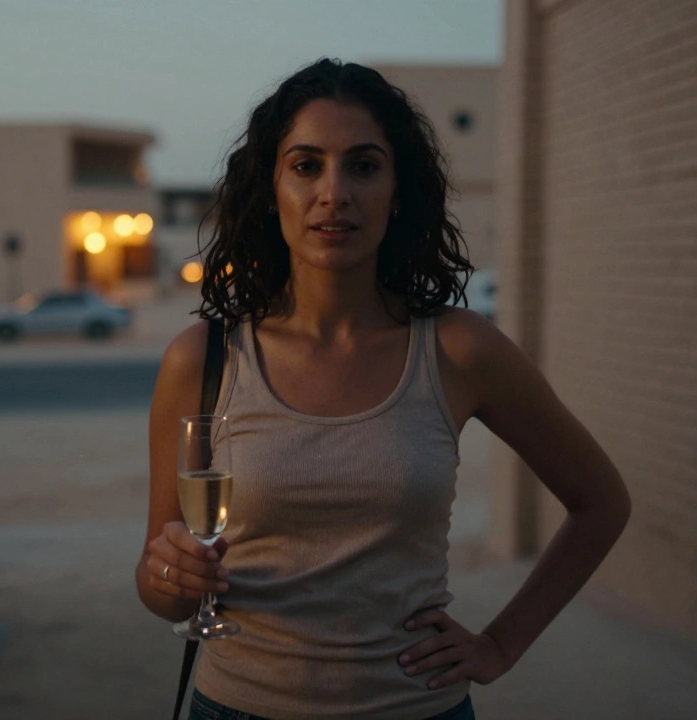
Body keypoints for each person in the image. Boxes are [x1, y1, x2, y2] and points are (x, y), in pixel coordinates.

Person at [136, 58, 631, 720]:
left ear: (397, 190)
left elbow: (602, 503)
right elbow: (162, 589)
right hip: (236, 707)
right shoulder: (202, 358)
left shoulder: (458, 349)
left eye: (363, 165)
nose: (334, 192)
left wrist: (501, 646)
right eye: (306, 165)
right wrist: (169, 574)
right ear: (271, 187)